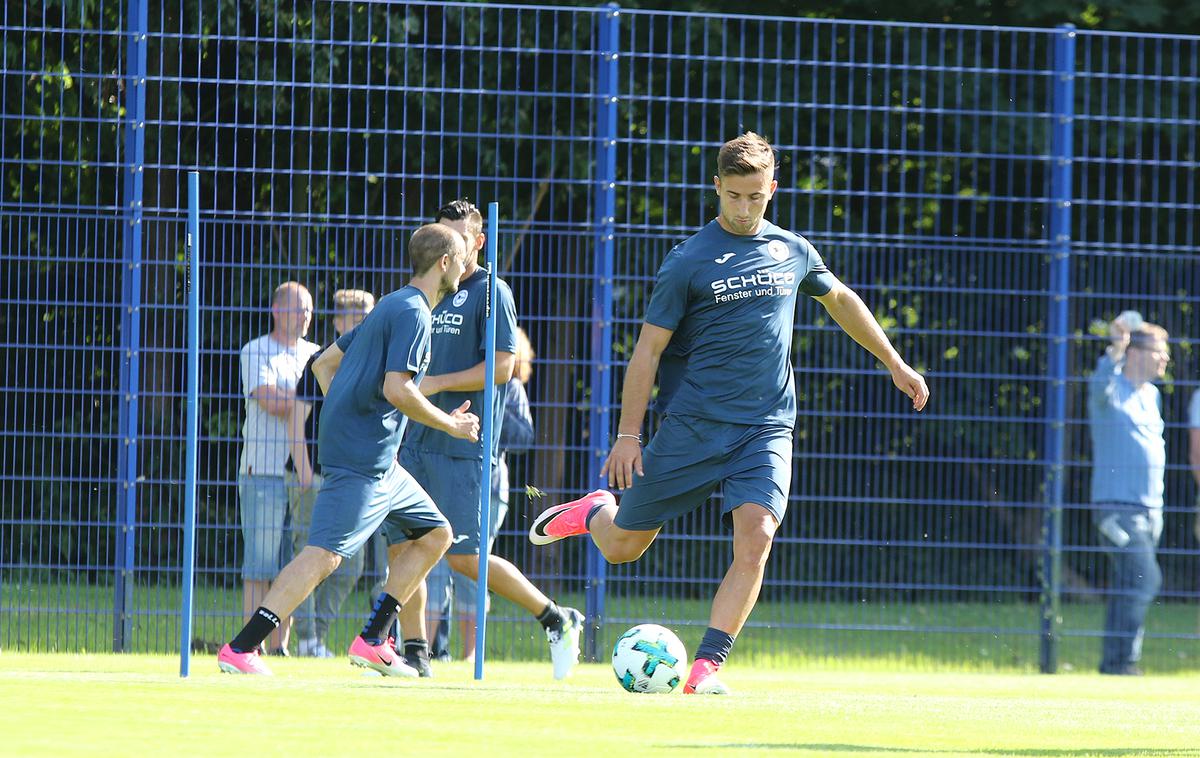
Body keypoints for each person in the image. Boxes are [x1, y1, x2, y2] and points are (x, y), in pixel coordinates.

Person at [529, 132, 929, 694]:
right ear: (717, 187)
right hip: (693, 426)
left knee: (758, 535)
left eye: (755, 198)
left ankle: (705, 667)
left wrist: (895, 362)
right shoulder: (687, 260)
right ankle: (597, 511)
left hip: (766, 426)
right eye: (734, 196)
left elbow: (839, 298)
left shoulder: (793, 250)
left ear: (772, 190)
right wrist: (627, 435)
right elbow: (647, 351)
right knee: (621, 549)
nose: (744, 210)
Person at [217, 223, 480, 675]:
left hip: (381, 462)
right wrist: (450, 425)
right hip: (364, 459)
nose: (464, 267)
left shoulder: (392, 304)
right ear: (444, 264)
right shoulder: (415, 313)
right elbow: (398, 390)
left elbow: (323, 364)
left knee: (436, 534)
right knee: (324, 555)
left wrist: (346, 412)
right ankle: (242, 649)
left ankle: (373, 639)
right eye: (460, 259)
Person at [395, 200, 583, 680]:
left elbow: (503, 367)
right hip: (415, 439)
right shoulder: (424, 290)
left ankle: (555, 618)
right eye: (445, 238)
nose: (451, 249)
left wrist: (435, 385)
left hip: (465, 445)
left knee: (463, 559)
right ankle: (414, 652)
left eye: (460, 239)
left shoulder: (491, 291)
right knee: (403, 548)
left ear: (478, 242)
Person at [426, 326, 537, 663]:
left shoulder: (512, 388)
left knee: (471, 569)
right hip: (440, 481)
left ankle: (471, 656)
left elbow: (524, 437)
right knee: (433, 568)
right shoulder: (447, 381)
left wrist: (491, 410)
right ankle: (422, 651)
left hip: (488, 488)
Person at [286, 288, 376, 658]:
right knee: (308, 555)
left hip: (352, 479)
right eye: (359, 318)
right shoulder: (323, 361)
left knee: (352, 564)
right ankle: (307, 639)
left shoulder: (374, 360)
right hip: (314, 477)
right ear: (340, 322)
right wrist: (305, 470)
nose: (367, 324)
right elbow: (296, 418)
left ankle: (317, 635)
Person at [237, 281, 320, 655]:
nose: (304, 316)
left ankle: (280, 647)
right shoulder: (256, 351)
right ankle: (248, 643)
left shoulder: (318, 353)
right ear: (276, 310)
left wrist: (305, 405)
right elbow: (270, 401)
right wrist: (310, 403)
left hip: (308, 473)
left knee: (294, 563)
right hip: (265, 471)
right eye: (297, 308)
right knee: (261, 561)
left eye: (308, 310)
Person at [1088, 311, 1169, 675]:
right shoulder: (1108, 390)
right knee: (1144, 575)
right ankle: (1123, 662)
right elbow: (1099, 382)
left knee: (1129, 582)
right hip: (1115, 511)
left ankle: (1117, 664)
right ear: (1136, 353)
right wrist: (1116, 347)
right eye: (1159, 350)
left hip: (1151, 510)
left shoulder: (1152, 395)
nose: (1165, 357)